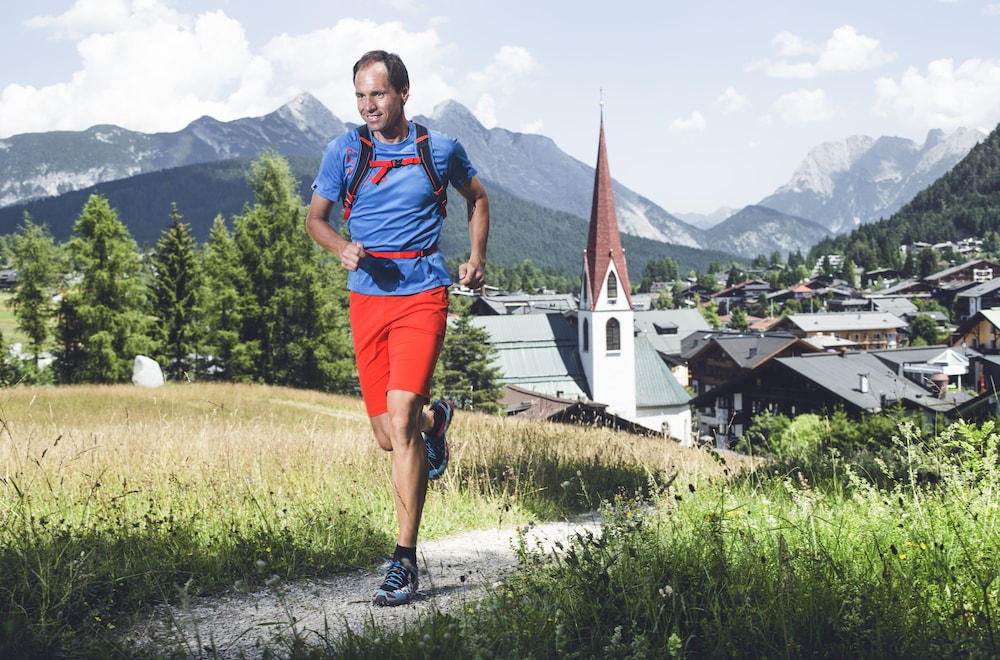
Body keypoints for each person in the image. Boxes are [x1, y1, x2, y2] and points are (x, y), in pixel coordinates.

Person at [305, 50, 489, 606]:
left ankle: (403, 561)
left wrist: (476, 257)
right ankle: (437, 422)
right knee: (390, 435)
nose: (369, 106)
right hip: (367, 300)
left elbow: (478, 198)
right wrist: (341, 248)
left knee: (401, 416)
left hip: (423, 294)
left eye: (378, 94)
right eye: (361, 96)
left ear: (403, 93)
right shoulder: (345, 151)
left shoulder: (439, 149)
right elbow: (316, 219)